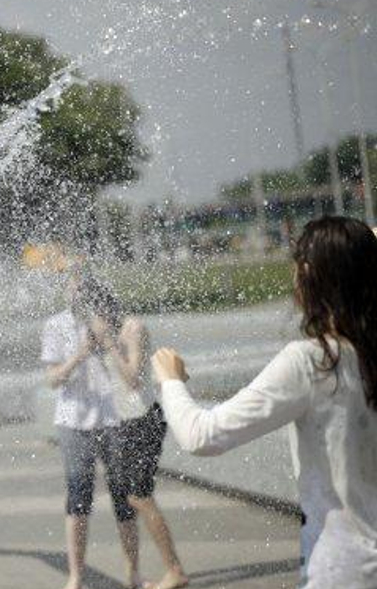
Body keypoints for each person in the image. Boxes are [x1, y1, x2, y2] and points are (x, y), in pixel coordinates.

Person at [151, 216, 377, 589]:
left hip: (344, 571)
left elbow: (201, 436)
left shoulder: (312, 362)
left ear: (310, 277)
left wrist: (170, 381)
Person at [78, 278, 187, 589]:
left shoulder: (132, 328)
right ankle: (150, 571)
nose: (91, 320)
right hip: (123, 424)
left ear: (104, 307)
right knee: (133, 497)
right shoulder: (105, 334)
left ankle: (175, 570)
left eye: (92, 312)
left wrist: (110, 342)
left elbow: (133, 381)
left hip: (144, 419)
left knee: (140, 497)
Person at [42, 269, 140, 589]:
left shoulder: (113, 322)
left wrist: (107, 339)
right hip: (73, 422)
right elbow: (53, 379)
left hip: (113, 419)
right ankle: (76, 576)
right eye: (71, 291)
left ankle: (133, 573)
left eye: (82, 290)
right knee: (78, 497)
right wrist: (80, 355)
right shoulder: (55, 325)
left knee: (123, 498)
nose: (76, 297)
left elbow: (131, 378)